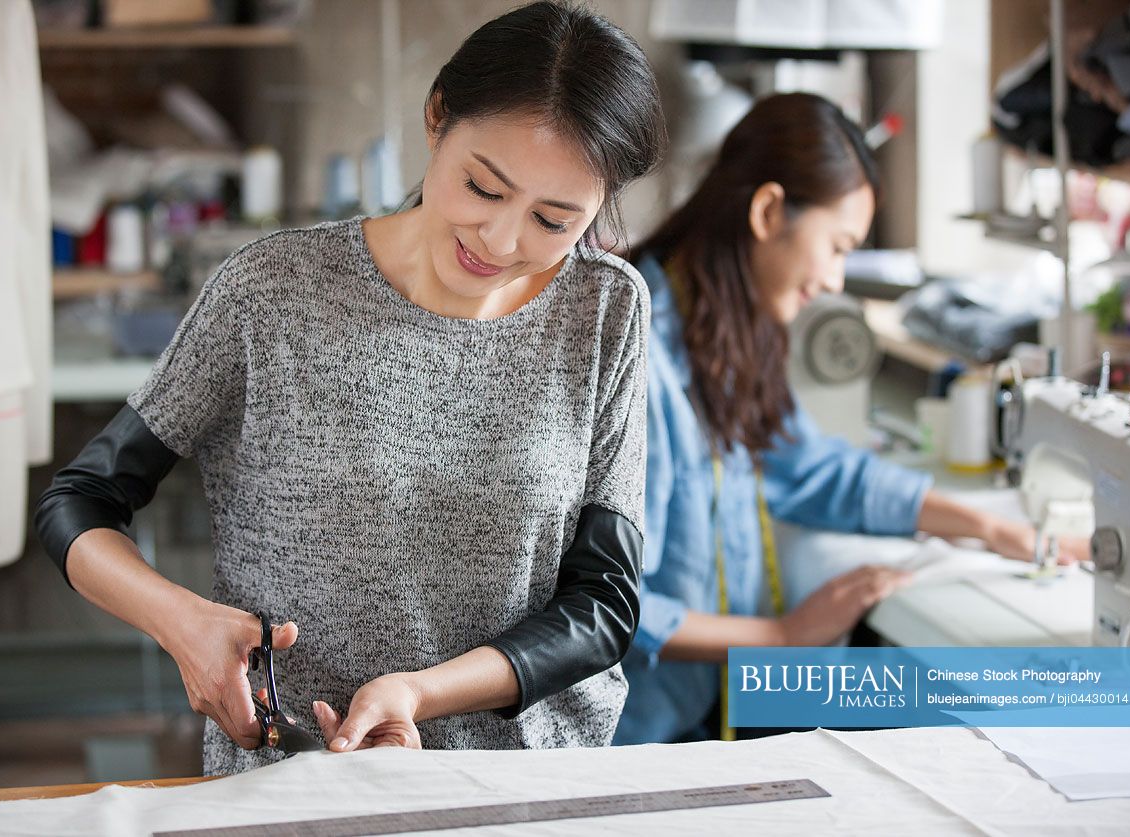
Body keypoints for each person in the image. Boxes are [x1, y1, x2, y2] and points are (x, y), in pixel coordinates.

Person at [35, 1, 666, 775]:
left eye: (553, 220)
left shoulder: (605, 308)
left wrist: (419, 693)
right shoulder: (272, 290)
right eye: (483, 187)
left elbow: (601, 606)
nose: (500, 241)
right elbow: (80, 500)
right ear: (437, 118)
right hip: (299, 770)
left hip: (521, 775)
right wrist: (182, 623)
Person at [614, 92, 1085, 746]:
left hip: (695, 709)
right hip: (635, 737)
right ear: (768, 210)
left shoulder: (723, 334)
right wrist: (779, 637)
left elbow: (808, 467)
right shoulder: (636, 355)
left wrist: (985, 526)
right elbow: (611, 606)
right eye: (835, 247)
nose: (835, 279)